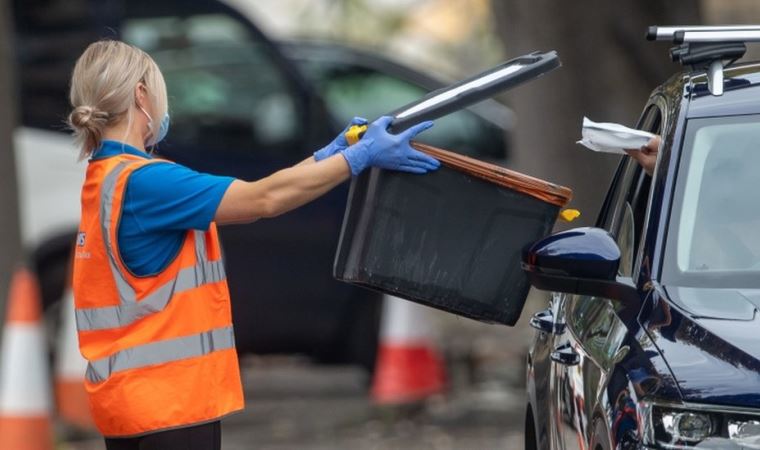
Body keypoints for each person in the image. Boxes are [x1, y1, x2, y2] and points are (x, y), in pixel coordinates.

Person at [68, 40, 440, 450]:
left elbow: (263, 191)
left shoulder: (107, 179)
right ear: (141, 95)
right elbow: (264, 200)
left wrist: (327, 156)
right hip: (171, 407)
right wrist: (357, 159)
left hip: (130, 407)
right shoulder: (148, 183)